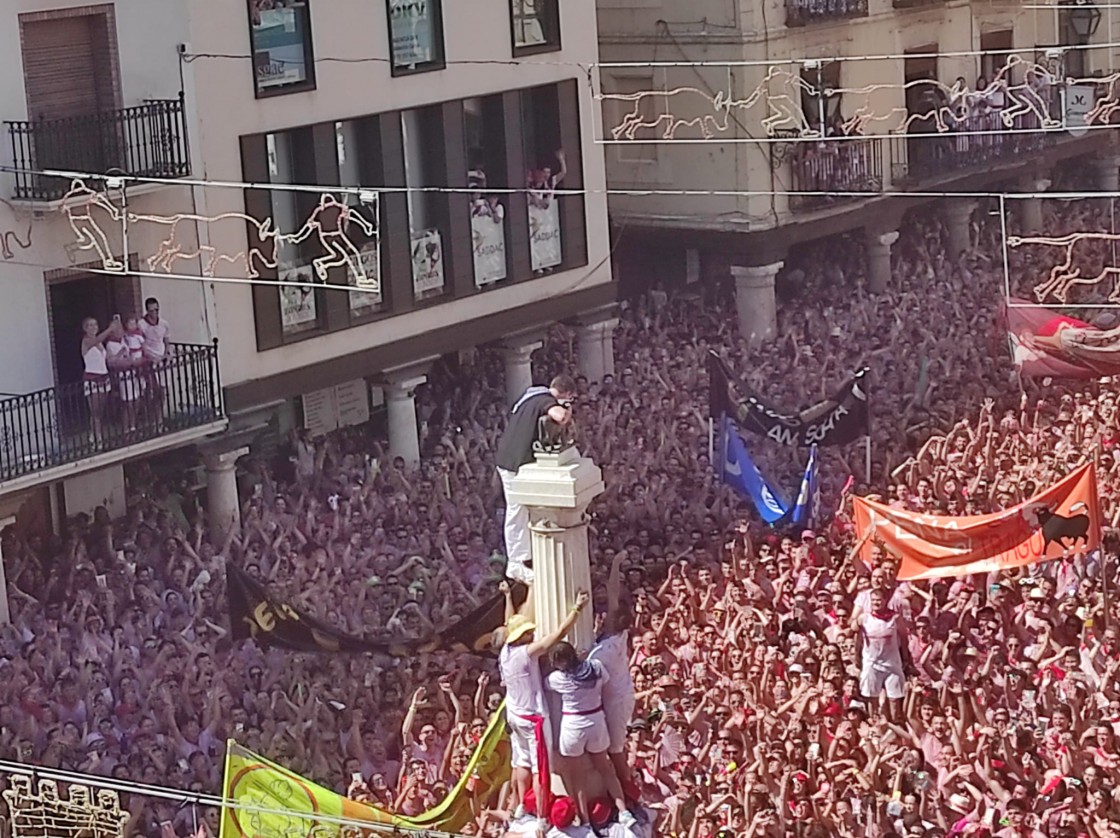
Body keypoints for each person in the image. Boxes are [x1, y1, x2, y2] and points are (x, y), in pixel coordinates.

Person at [499, 589, 589, 825]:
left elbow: (507, 621)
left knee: (521, 762)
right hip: (532, 719)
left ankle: (520, 805)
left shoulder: (504, 653)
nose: (532, 635)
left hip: (514, 715)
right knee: (541, 769)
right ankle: (541, 817)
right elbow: (559, 634)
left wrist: (508, 598)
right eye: (528, 632)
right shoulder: (527, 653)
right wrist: (576, 609)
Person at [494, 374, 576, 584]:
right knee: (517, 509)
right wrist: (566, 408)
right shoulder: (544, 399)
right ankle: (515, 562)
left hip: (511, 458)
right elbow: (559, 416)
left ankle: (525, 554)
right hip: (514, 462)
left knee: (525, 508)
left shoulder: (531, 395)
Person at [546, 641, 636, 829]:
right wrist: (583, 659)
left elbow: (546, 684)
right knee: (605, 769)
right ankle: (623, 811)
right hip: (596, 721)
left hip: (573, 726)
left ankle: (585, 822)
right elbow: (605, 679)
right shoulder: (595, 667)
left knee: (577, 777)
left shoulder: (558, 678)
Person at [589, 550, 635, 786]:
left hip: (618, 701)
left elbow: (584, 664)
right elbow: (613, 593)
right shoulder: (613, 634)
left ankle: (628, 790)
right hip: (610, 697)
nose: (607, 612)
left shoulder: (609, 648)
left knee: (615, 750)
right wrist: (616, 564)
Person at [81, 314, 117, 440]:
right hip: (92, 378)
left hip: (104, 377)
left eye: (95, 325)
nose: (93, 327)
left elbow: (107, 359)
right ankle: (97, 436)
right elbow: (95, 341)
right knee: (94, 410)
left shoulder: (101, 344)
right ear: (85, 328)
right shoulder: (86, 341)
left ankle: (95, 432)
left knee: (100, 410)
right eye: (90, 325)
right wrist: (109, 329)